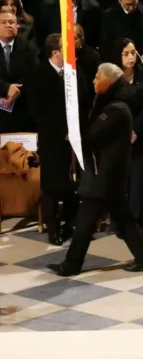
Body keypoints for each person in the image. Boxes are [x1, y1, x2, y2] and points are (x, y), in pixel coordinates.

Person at [48, 64, 143, 276]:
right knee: (123, 219)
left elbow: (91, 137)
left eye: (98, 77)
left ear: (109, 82)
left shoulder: (115, 110)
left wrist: (73, 138)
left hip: (103, 175)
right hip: (107, 174)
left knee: (85, 222)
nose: (94, 81)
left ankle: (72, 265)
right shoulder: (113, 105)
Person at [30, 33, 89, 245]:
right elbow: (39, 111)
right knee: (52, 186)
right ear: (55, 53)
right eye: (66, 50)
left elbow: (82, 98)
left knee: (73, 184)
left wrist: (73, 128)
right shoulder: (39, 74)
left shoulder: (74, 72)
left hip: (73, 137)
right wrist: (61, 130)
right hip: (51, 138)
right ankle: (52, 228)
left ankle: (69, 223)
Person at [117, 38, 143, 228]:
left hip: (140, 136)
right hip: (117, 137)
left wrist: (135, 131)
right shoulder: (111, 77)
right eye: (126, 53)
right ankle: (119, 222)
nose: (131, 57)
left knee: (138, 182)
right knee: (119, 181)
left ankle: (136, 223)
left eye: (133, 52)